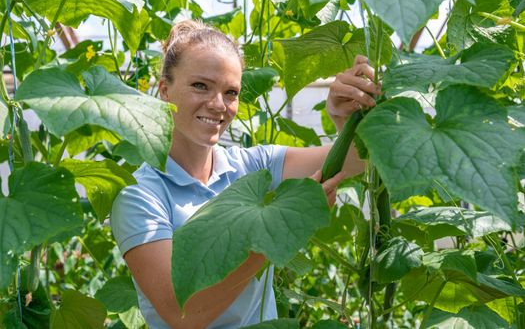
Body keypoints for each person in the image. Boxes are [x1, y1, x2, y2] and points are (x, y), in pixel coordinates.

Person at [110, 20, 381, 329]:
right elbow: (183, 313)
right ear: (164, 90)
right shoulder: (139, 195)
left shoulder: (252, 167)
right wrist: (281, 231)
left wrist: (341, 118)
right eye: (201, 85)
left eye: (231, 92)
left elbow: (356, 160)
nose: (218, 104)